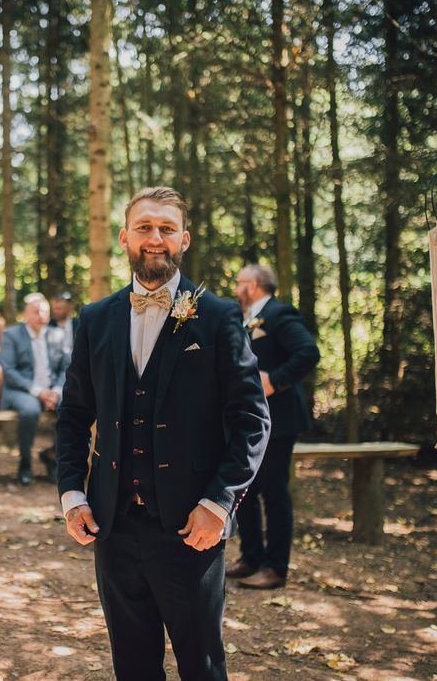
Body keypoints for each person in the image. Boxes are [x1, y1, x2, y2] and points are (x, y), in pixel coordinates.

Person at [56, 186, 270, 680]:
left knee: (202, 664)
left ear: (184, 240)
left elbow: (252, 419)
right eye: (146, 227)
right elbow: (73, 415)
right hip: (111, 524)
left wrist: (220, 503)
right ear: (124, 236)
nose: (156, 238)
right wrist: (71, 492)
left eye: (167, 229)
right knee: (131, 665)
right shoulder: (95, 319)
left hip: (191, 526)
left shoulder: (217, 317)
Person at [227, 264, 320, 589]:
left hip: (279, 419)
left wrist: (274, 381)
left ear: (253, 285)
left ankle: (275, 566)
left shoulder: (280, 314)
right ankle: (251, 557)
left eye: (239, 283)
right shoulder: (246, 317)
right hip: (248, 418)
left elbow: (308, 351)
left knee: (274, 491)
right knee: (246, 490)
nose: (235, 288)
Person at [0, 293, 69, 485]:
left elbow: (66, 367)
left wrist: (55, 391)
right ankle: (25, 462)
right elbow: (9, 370)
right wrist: (39, 392)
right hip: (20, 391)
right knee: (29, 410)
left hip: (52, 391)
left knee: (73, 408)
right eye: (36, 312)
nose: (42, 316)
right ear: (25, 314)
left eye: (45, 311)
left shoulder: (57, 335)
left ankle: (53, 456)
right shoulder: (11, 335)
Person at [49, 290, 78, 355]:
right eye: (54, 309)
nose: (56, 311)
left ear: (70, 307)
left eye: (59, 309)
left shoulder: (79, 325)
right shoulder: (48, 325)